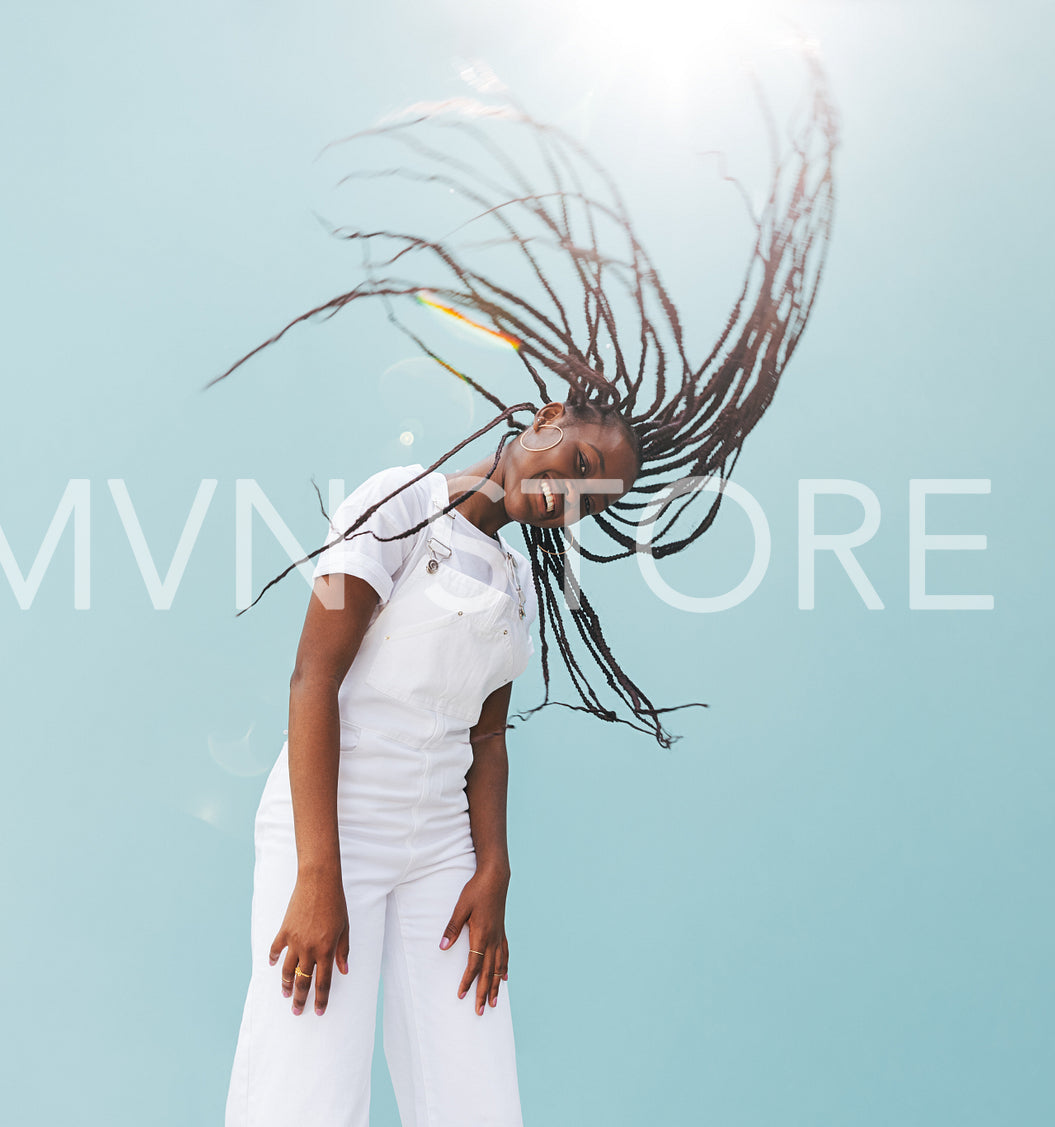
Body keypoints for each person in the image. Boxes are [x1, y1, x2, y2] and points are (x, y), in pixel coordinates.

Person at [213, 54, 838, 1127]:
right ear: (546, 414)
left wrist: (494, 869)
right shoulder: (399, 498)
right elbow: (311, 679)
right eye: (576, 460)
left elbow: (487, 737)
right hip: (334, 823)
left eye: (594, 495)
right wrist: (318, 870)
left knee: (476, 1099)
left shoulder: (510, 584)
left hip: (439, 850)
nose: (571, 491)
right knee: (303, 1090)